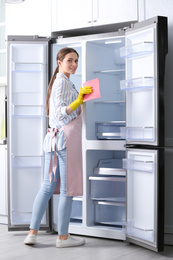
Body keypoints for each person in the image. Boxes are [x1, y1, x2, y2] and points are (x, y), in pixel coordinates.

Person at [24, 47, 92, 248]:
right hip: (64, 140)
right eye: (70, 60)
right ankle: (63, 238)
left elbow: (60, 111)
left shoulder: (62, 82)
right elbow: (62, 114)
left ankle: (32, 233)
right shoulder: (62, 82)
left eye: (76, 61)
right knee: (67, 190)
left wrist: (80, 99)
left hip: (53, 140)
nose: (74, 64)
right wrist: (79, 100)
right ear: (59, 61)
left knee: (46, 187)